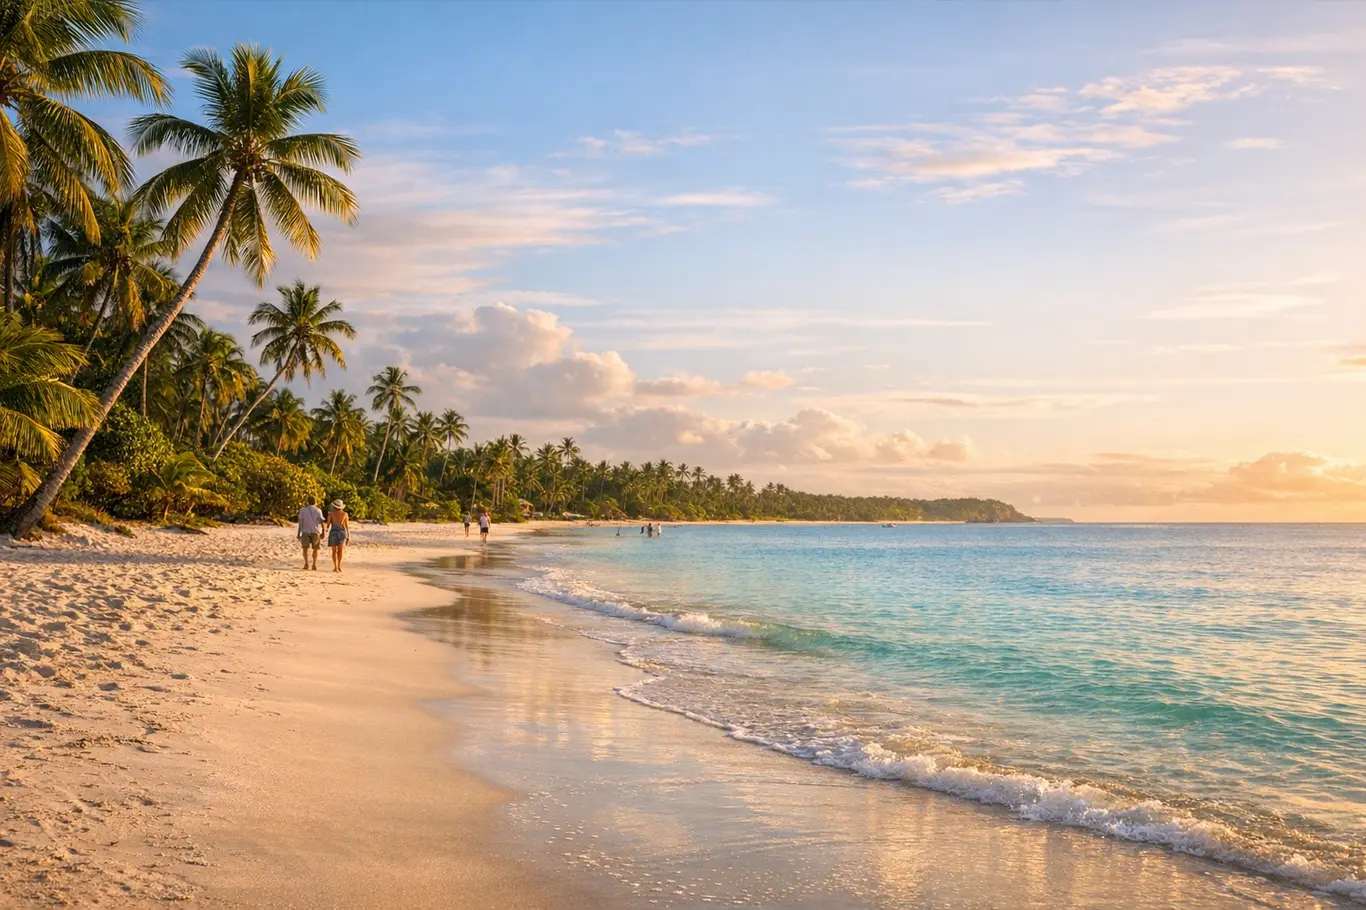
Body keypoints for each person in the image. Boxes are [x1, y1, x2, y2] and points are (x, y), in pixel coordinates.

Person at [297, 496, 325, 570]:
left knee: (305, 548)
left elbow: (300, 523)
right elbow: (322, 522)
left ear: (307, 502)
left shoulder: (302, 510)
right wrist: (323, 531)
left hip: (305, 531)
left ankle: (306, 564)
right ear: (315, 502)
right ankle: (314, 564)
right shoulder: (318, 510)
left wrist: (298, 533)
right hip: (315, 531)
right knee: (315, 549)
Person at [327, 499, 350, 573]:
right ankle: (339, 566)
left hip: (333, 532)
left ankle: (335, 567)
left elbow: (328, 525)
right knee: (340, 551)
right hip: (341, 532)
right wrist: (348, 535)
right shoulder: (345, 514)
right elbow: (347, 526)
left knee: (334, 551)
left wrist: (329, 517)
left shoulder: (331, 514)